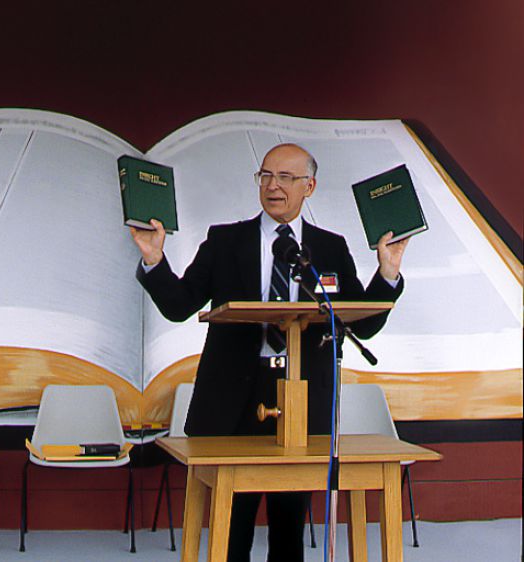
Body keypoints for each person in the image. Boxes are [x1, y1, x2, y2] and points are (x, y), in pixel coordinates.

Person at [131, 143, 408, 561]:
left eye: (285, 178)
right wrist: (154, 259)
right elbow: (179, 304)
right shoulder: (225, 240)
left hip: (302, 399)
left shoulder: (329, 248)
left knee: (289, 529)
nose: (273, 186)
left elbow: (361, 324)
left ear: (309, 186)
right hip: (232, 401)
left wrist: (388, 272)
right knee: (232, 530)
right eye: (266, 176)